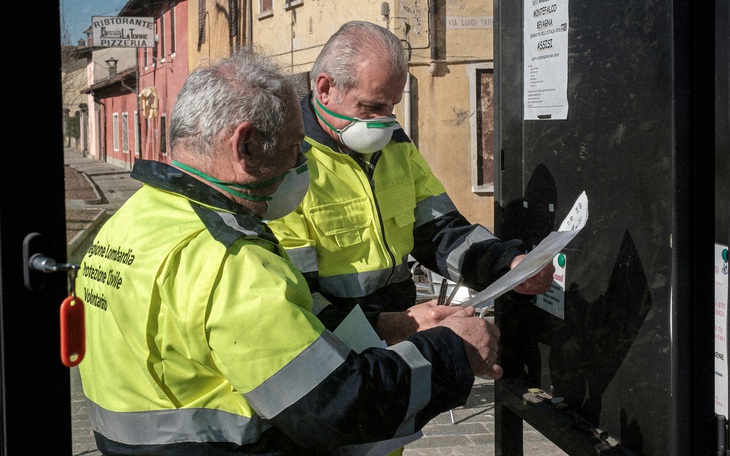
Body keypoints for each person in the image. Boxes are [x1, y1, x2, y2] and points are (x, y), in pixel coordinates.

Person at [77, 48, 504, 456]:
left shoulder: (131, 220)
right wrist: (454, 350)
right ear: (245, 147)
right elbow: (337, 406)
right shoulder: (231, 262)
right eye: (293, 145)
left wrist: (392, 324)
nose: (302, 160)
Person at [267, 21, 554, 332]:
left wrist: (507, 264)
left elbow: (440, 231)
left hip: (401, 327)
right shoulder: (286, 162)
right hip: (337, 344)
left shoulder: (394, 143)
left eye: (391, 107)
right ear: (325, 88)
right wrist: (385, 326)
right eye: (371, 107)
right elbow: (293, 299)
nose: (383, 122)